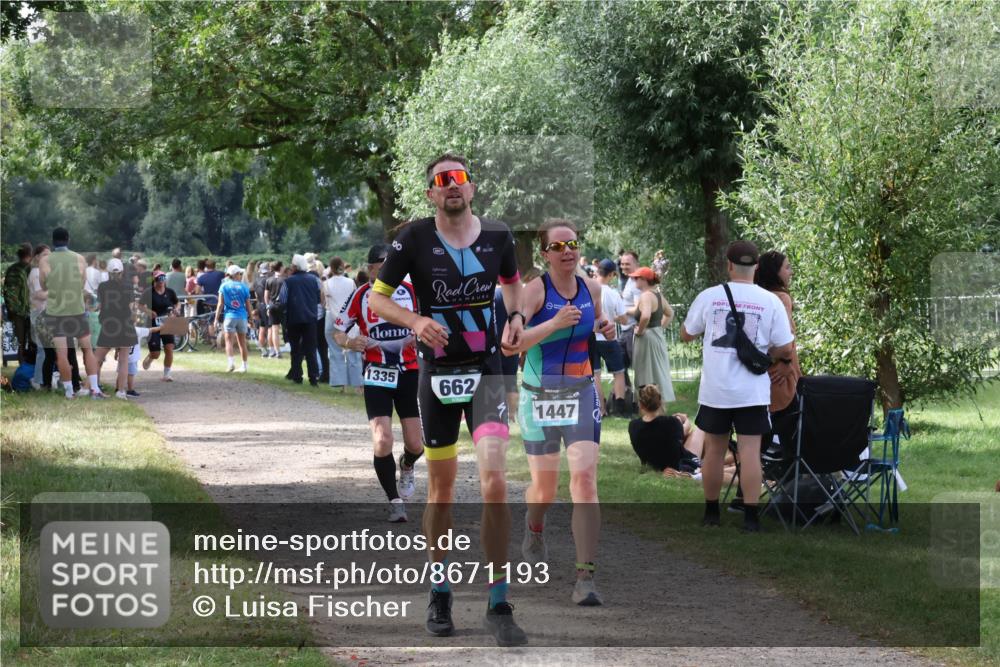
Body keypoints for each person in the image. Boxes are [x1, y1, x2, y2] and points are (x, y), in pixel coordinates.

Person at [368, 153, 527, 646]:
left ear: (472, 188)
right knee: (441, 490)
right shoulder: (412, 238)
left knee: (495, 483)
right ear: (431, 193)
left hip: (487, 371)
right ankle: (439, 589)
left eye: (459, 178)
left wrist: (516, 318)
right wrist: (416, 322)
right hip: (436, 374)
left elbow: (512, 284)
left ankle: (499, 600)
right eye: (442, 181)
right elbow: (377, 297)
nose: (452, 186)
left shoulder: (499, 235)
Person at [508, 219, 615, 607]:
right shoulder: (533, 291)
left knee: (585, 481)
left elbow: (594, 332)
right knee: (546, 489)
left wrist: (604, 327)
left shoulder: (591, 286)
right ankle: (534, 524)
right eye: (558, 246)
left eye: (572, 243)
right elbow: (512, 345)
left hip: (581, 390)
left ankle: (585, 577)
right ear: (545, 254)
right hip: (540, 394)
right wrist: (554, 322)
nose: (568, 250)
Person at [680, 240, 795, 532]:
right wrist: (767, 355)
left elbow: (685, 334)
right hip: (752, 390)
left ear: (729, 265)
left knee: (715, 452)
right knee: (750, 452)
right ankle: (751, 518)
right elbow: (785, 347)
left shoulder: (709, 296)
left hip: (716, 390)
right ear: (756, 267)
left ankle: (711, 513)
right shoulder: (770, 300)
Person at [334, 244, 424, 522]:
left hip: (409, 371)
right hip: (376, 374)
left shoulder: (411, 291)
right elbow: (337, 331)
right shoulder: (361, 295)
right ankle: (395, 501)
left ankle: (407, 465)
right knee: (383, 439)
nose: (389, 268)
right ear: (371, 268)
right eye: (383, 263)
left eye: (393, 262)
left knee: (416, 444)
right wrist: (350, 341)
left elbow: (429, 321)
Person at [38, 228, 103, 398]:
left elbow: (44, 285)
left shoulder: (45, 261)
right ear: (68, 239)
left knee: (62, 353)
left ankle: (68, 392)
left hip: (56, 312)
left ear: (53, 241)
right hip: (77, 310)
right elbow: (82, 283)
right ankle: (94, 388)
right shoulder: (79, 259)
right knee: (88, 350)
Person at [754, 251, 802, 415]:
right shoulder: (781, 298)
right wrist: (786, 361)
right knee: (789, 432)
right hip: (781, 376)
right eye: (787, 267)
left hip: (759, 373)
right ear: (775, 272)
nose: (791, 272)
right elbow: (785, 341)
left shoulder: (756, 296)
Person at [629, 384, 706, 474]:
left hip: (653, 464)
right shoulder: (671, 423)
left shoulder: (633, 426)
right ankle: (707, 462)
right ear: (660, 402)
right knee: (699, 430)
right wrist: (685, 419)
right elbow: (685, 430)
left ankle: (705, 462)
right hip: (676, 465)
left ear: (641, 405)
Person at [627, 266, 675, 402]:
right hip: (656, 336)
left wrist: (641, 330)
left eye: (636, 278)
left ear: (643, 280)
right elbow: (670, 313)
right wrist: (659, 328)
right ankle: (658, 403)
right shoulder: (657, 295)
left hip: (646, 338)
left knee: (646, 372)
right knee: (657, 371)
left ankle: (649, 404)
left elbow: (645, 316)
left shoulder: (646, 296)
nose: (634, 280)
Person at [94, 258, 138, 399]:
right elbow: (131, 308)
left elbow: (101, 306)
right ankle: (120, 391)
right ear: (122, 271)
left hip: (109, 324)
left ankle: (92, 387)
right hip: (125, 324)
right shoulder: (128, 285)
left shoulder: (102, 286)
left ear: (108, 272)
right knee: (124, 359)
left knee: (97, 358)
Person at [279, 254, 321, 385]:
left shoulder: (288, 281)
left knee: (295, 349)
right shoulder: (314, 280)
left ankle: (297, 376)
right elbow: (319, 296)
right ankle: (314, 378)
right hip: (311, 318)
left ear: (295, 266)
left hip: (294, 318)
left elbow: (283, 300)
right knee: (311, 349)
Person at [594, 259, 628, 416]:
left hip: (591, 337)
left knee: (595, 375)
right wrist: (612, 318)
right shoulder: (613, 293)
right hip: (609, 337)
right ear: (612, 275)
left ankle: (601, 409)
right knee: (619, 373)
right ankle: (619, 408)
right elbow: (624, 319)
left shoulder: (588, 290)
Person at [326, 256, 364, 391]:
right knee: (353, 351)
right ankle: (358, 385)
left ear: (330, 268)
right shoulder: (350, 282)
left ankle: (341, 384)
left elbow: (323, 303)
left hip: (332, 318)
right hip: (349, 319)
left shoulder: (326, 283)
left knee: (335, 352)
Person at [140, 270, 180, 381]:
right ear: (154, 280)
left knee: (169, 348)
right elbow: (140, 305)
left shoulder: (170, 292)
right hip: (153, 324)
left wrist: (176, 310)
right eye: (159, 279)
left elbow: (177, 302)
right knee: (156, 353)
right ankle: (151, 356)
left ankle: (166, 374)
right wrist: (149, 311)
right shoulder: (148, 292)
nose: (161, 281)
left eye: (163, 278)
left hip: (167, 322)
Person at [216, 264, 253, 373]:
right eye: (240, 273)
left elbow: (220, 304)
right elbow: (248, 305)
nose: (241, 275)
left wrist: (216, 318)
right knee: (242, 343)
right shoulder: (244, 287)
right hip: (242, 316)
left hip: (229, 317)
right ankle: (244, 366)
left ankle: (231, 364)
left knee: (229, 342)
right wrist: (251, 318)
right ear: (236, 274)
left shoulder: (223, 286)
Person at [3, 243, 33, 362]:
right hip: (29, 309)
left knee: (20, 343)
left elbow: (6, 291)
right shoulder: (30, 268)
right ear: (30, 254)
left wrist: (10, 310)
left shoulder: (11, 269)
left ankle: (21, 366)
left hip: (15, 312)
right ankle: (30, 369)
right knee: (32, 342)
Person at [28, 245, 50, 388]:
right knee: (43, 350)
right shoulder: (36, 272)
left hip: (41, 313)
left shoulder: (39, 272)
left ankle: (40, 379)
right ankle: (37, 380)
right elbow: (39, 294)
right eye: (45, 255)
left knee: (45, 349)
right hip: (40, 313)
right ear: (37, 257)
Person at [196, 259, 225, 335]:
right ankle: (222, 340)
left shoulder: (202, 277)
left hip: (208, 302)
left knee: (210, 322)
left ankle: (213, 341)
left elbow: (197, 291)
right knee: (222, 321)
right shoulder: (220, 274)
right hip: (220, 301)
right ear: (215, 266)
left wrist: (204, 294)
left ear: (206, 266)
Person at [264, 260, 285, 358]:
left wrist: (268, 306)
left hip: (272, 306)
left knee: (274, 330)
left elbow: (266, 296)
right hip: (283, 306)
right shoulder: (285, 280)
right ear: (280, 267)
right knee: (287, 328)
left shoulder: (269, 280)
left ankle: (277, 351)